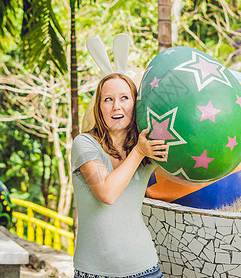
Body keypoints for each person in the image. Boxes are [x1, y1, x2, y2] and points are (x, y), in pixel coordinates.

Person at [71, 72, 169, 278]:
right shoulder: (85, 144)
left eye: (125, 98)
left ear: (135, 104)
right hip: (94, 272)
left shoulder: (145, 149)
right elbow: (107, 193)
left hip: (146, 270)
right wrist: (139, 152)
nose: (116, 106)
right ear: (99, 107)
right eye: (108, 99)